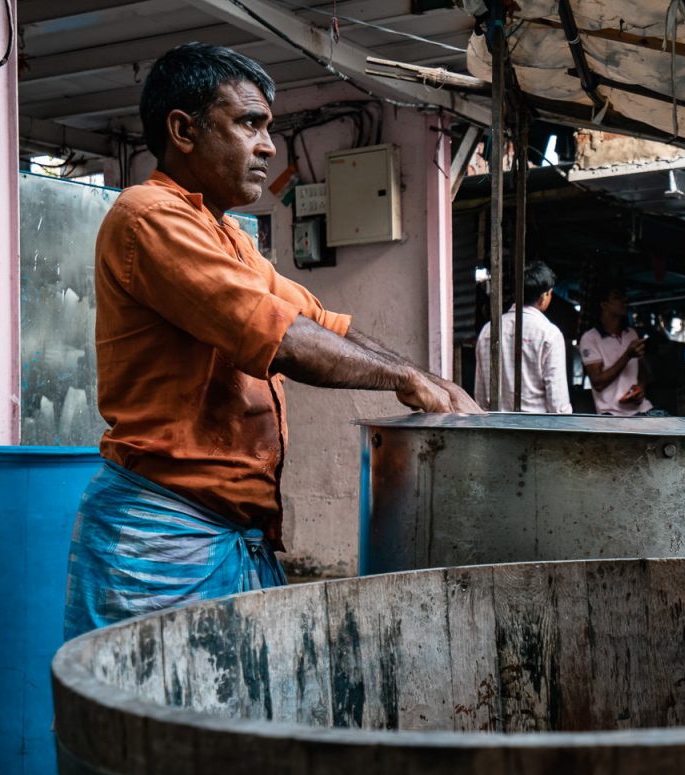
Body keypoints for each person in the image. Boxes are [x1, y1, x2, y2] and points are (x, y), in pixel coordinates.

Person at [63, 43, 480, 640]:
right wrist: (404, 379)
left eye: (268, 128)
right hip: (163, 538)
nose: (268, 147)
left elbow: (316, 320)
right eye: (248, 124)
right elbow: (280, 338)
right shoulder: (149, 216)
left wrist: (431, 379)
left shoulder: (227, 235)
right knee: (158, 697)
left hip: (227, 531)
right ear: (183, 130)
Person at [474, 262, 573, 414]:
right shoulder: (549, 334)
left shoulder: (488, 331)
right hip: (536, 426)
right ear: (544, 296)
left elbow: (480, 398)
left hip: (495, 425)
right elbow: (558, 405)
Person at [578, 284, 656, 415]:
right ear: (604, 305)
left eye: (623, 297)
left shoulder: (631, 333)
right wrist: (627, 355)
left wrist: (641, 388)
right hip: (612, 413)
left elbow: (642, 371)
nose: (624, 300)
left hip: (641, 408)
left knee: (672, 424)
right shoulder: (590, 338)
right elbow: (598, 383)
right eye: (617, 297)